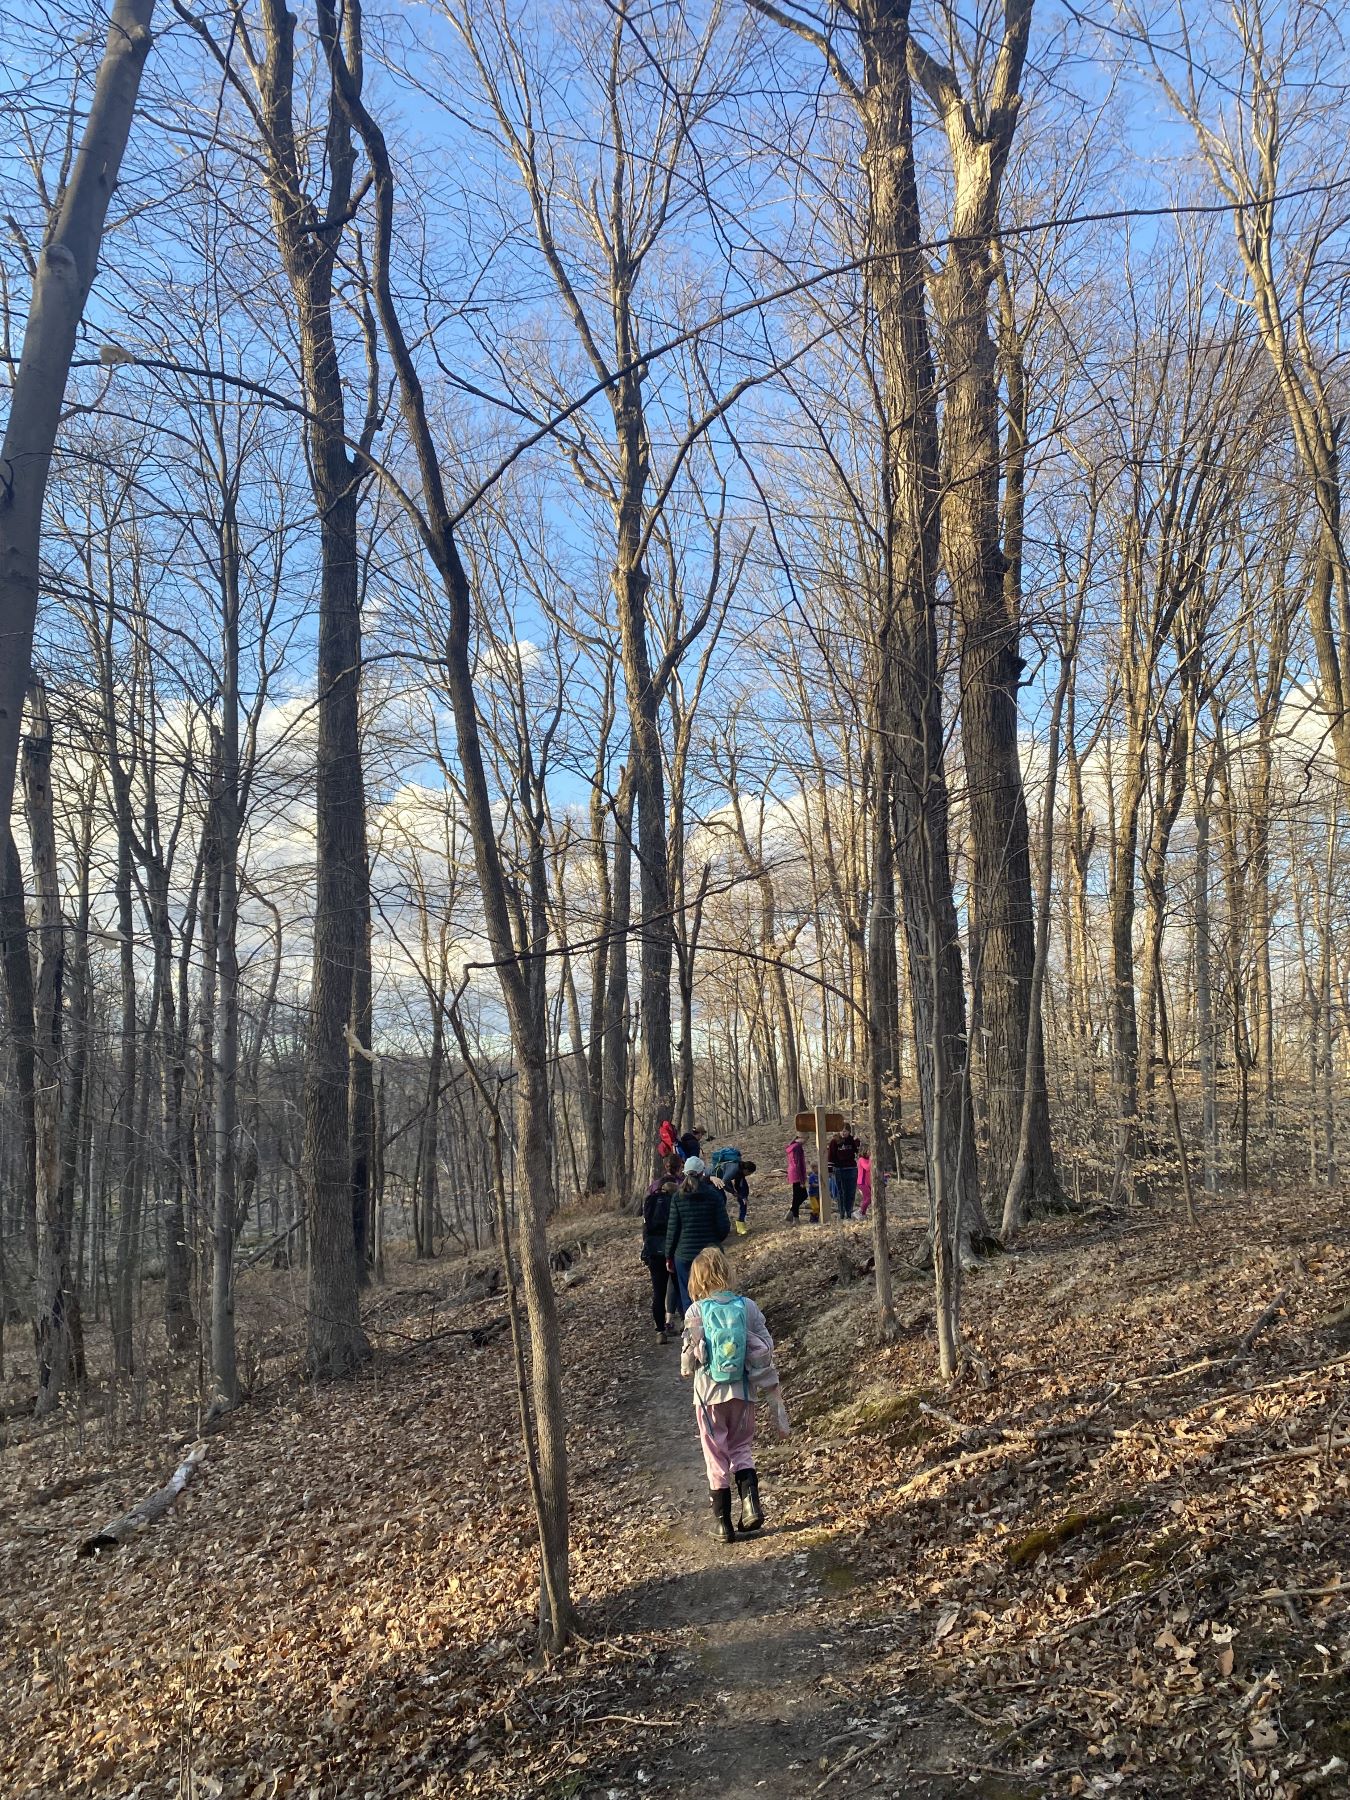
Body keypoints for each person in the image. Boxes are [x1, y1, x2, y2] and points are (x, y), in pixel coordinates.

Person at [679, 1245, 787, 1542]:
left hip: (708, 1395)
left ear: (697, 1281)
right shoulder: (747, 1306)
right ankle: (751, 1506)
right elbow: (766, 1344)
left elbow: (688, 1359)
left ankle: (722, 1523)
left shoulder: (695, 1311)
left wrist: (690, 1365)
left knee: (715, 1453)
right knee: (741, 1447)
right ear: (726, 1273)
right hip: (743, 1392)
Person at [664, 1156, 730, 1312]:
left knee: (689, 1296)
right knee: (712, 1293)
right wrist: (714, 1241)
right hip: (710, 1254)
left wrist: (669, 1255)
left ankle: (693, 1332)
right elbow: (724, 1226)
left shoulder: (677, 1197)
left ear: (685, 1172)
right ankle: (713, 1328)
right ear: (702, 1173)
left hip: (684, 1255)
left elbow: (672, 1230)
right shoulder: (713, 1195)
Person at [641, 1163, 682, 1342]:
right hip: (672, 1251)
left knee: (658, 1292)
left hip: (654, 1251)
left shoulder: (650, 1202)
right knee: (680, 1288)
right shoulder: (674, 1202)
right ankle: (685, 1324)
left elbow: (645, 1229)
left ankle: (660, 1331)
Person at [828, 1122, 861, 1220]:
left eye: (845, 1131)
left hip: (851, 1168)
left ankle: (849, 1211)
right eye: (842, 1131)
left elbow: (858, 1151)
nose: (843, 1133)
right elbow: (831, 1156)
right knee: (841, 1192)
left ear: (849, 1131)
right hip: (839, 1169)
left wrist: (857, 1142)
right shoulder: (834, 1142)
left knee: (850, 1192)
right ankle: (842, 1212)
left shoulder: (852, 1140)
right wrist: (830, 1169)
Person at [786, 1133, 808, 1221]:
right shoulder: (797, 1147)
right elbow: (798, 1164)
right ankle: (792, 1212)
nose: (806, 1141)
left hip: (793, 1173)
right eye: (806, 1139)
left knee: (797, 1196)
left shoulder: (792, 1146)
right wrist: (802, 1180)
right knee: (803, 1195)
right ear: (800, 1137)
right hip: (797, 1174)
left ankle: (795, 1217)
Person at [857, 1146, 873, 1219]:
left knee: (866, 1199)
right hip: (862, 1182)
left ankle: (863, 1213)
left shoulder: (869, 1160)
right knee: (868, 1198)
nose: (870, 1153)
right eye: (869, 1151)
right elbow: (867, 1167)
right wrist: (871, 1159)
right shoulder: (861, 1159)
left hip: (868, 1182)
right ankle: (860, 1212)